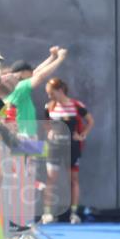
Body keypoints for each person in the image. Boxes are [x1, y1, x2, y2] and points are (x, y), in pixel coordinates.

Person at [42, 71, 90, 225]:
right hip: (55, 147)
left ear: (60, 90)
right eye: (48, 94)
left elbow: (90, 121)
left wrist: (82, 134)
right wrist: (49, 132)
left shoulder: (76, 106)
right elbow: (46, 124)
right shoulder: (49, 106)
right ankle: (48, 213)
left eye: (51, 93)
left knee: (73, 179)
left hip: (72, 147)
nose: (50, 97)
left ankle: (74, 213)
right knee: (51, 179)